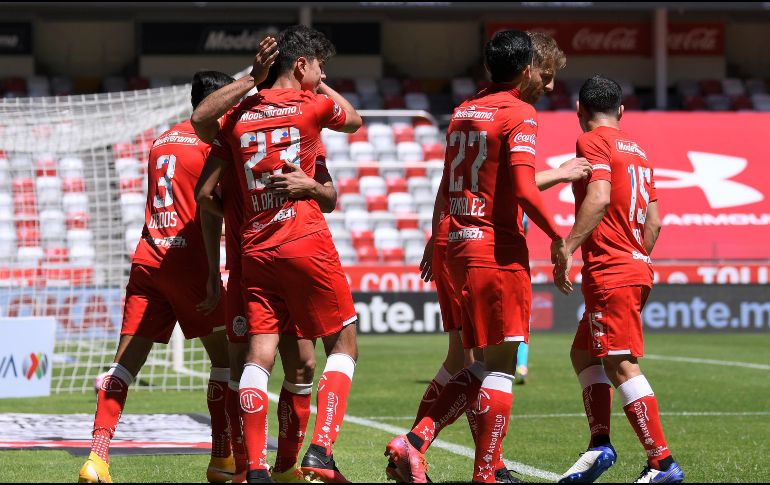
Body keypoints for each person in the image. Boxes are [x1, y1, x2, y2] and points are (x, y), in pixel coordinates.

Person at [385, 29, 572, 484]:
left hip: (456, 242)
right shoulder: (520, 114)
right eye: (544, 74)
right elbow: (524, 187)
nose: (548, 85)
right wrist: (558, 236)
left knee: (472, 362)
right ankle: (452, 457)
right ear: (527, 69)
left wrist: (437, 235)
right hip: (493, 248)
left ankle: (458, 456)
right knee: (498, 365)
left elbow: (448, 182)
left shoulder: (464, 110)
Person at [192, 27, 363, 484]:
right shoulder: (311, 107)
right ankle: (321, 450)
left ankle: (255, 467)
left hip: (254, 250)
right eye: (320, 67)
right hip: (304, 242)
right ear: (302, 65)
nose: (323, 76)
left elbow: (200, 122)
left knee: (257, 357)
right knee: (343, 344)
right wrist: (317, 86)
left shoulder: (239, 114)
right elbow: (354, 120)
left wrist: (252, 79)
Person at [78, 71, 237, 484]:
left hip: (149, 258)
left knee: (123, 365)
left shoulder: (162, 140)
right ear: (217, 103)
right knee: (227, 361)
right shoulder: (210, 145)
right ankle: (222, 459)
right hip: (189, 263)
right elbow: (206, 212)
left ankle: (96, 459)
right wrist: (212, 273)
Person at [557, 75, 683, 484]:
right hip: (635, 266)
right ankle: (599, 445)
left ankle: (662, 462)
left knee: (621, 364)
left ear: (580, 110)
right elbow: (655, 222)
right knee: (583, 354)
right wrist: (635, 256)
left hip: (611, 270)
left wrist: (567, 247)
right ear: (622, 111)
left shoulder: (591, 142)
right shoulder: (639, 152)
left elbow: (598, 197)